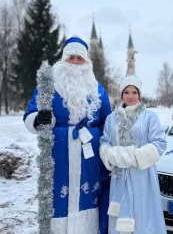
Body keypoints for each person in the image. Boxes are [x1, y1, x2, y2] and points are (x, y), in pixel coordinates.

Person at [23, 36, 112, 234]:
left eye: (79, 59)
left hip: (90, 157)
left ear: (86, 62)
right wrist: (38, 119)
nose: (75, 63)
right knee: (58, 195)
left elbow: (108, 122)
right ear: (63, 60)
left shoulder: (98, 90)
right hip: (58, 154)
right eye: (71, 58)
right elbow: (30, 115)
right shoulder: (48, 88)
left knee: (88, 195)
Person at [99, 75, 167, 234]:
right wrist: (110, 154)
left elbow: (159, 143)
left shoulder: (150, 117)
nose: (130, 96)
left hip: (143, 176)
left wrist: (133, 156)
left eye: (134, 92)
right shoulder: (111, 119)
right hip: (119, 176)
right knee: (121, 214)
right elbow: (105, 142)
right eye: (127, 92)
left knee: (143, 214)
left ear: (139, 95)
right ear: (121, 94)